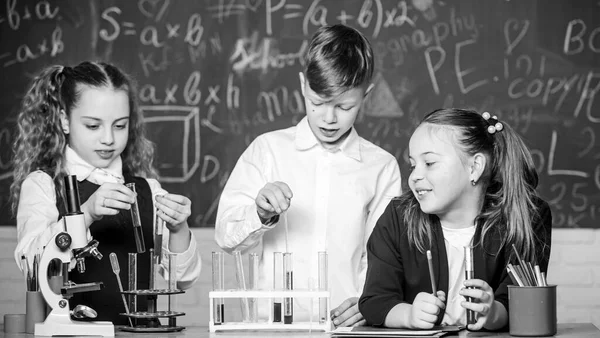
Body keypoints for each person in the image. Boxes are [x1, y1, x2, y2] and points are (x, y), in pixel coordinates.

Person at [215, 24, 401, 327]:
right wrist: (259, 214)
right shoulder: (268, 150)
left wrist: (370, 299)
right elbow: (226, 237)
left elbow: (383, 257)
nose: (329, 118)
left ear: (367, 94)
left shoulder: (381, 167)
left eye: (344, 106)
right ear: (303, 85)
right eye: (317, 103)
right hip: (275, 329)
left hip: (349, 328)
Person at [11, 61, 201, 325]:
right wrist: (86, 214)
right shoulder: (43, 185)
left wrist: (179, 228)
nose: (109, 139)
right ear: (65, 120)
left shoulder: (148, 189)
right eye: (93, 126)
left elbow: (183, 278)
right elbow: (32, 265)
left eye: (120, 125)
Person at [359, 108, 552, 331]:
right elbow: (375, 301)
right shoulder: (397, 217)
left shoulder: (525, 217)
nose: (414, 176)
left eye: (429, 163)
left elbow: (523, 301)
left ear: (474, 167)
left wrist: (493, 313)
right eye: (413, 165)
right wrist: (408, 315)